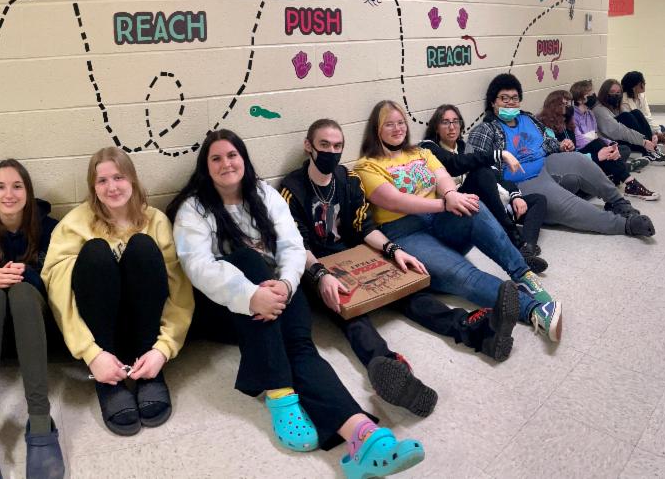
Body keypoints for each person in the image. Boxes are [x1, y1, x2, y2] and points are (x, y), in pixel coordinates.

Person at [168, 129, 425, 477]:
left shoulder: (263, 194)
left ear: (243, 159)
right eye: (216, 158)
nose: (226, 163)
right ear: (205, 166)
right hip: (225, 308)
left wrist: (287, 285)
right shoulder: (194, 208)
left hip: (278, 294)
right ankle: (279, 393)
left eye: (232, 155)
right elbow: (198, 268)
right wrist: (250, 296)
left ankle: (364, 438)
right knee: (247, 260)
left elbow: (292, 245)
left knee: (300, 347)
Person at [278, 121, 519, 418]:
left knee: (408, 290)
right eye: (324, 145)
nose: (331, 151)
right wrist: (321, 276)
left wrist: (394, 251)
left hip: (356, 254)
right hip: (316, 264)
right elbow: (295, 244)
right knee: (353, 315)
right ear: (309, 146)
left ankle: (479, 332)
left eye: (337, 146)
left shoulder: (348, 179)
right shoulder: (292, 188)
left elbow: (364, 227)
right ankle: (390, 368)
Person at [357, 100, 564, 341]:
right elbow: (396, 201)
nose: (398, 128)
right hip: (406, 232)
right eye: (389, 124)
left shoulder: (420, 152)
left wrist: (451, 194)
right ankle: (534, 311)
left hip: (438, 221)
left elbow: (442, 176)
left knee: (472, 205)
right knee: (464, 274)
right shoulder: (366, 166)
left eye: (401, 122)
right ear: (376, 129)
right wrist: (444, 204)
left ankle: (523, 275)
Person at [42, 147, 194, 438]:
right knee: (95, 252)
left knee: (143, 247)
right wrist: (92, 354)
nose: (112, 187)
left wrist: (162, 349)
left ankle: (148, 370)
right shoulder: (74, 224)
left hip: (146, 333)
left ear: (132, 179)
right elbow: (59, 294)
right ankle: (108, 380)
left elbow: (179, 291)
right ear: (93, 187)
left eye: (119, 177)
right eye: (102, 180)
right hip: (100, 336)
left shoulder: (155, 221)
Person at [0, 159, 64, 479]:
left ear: (28, 191)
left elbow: (58, 281)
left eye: (17, 186)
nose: (9, 194)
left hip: (33, 317)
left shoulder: (49, 228)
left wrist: (24, 275)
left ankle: (41, 421)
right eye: (0, 187)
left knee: (20, 292)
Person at [466, 73, 654, 238]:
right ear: (493, 102)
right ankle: (623, 225)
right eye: (504, 98)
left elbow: (547, 141)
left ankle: (618, 202)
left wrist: (560, 145)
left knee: (578, 160)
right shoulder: (485, 130)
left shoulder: (527, 118)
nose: (510, 103)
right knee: (569, 204)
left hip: (546, 163)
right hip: (521, 179)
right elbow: (478, 170)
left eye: (514, 98)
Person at [420, 104, 549, 272]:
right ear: (436, 127)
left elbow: (495, 175)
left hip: (489, 200)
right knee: (481, 172)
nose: (452, 127)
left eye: (455, 121)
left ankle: (527, 248)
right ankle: (516, 240)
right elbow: (455, 164)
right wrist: (499, 154)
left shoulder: (465, 147)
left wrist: (515, 195)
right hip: (455, 205)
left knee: (538, 200)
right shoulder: (428, 147)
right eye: (445, 122)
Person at [560, 82, 658, 201]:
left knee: (622, 149)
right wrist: (604, 147)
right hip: (583, 152)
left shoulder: (590, 114)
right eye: (590, 94)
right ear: (580, 99)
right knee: (599, 145)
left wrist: (611, 144)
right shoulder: (573, 115)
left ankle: (613, 172)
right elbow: (580, 142)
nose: (594, 96)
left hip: (596, 148)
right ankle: (630, 182)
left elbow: (596, 135)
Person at [595, 76, 665, 165]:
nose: (616, 95)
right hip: (612, 141)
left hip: (626, 137)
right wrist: (643, 141)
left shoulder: (615, 106)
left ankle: (652, 146)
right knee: (626, 116)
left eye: (618, 92)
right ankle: (647, 150)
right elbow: (618, 130)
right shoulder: (599, 110)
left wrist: (653, 134)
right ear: (604, 93)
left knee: (636, 112)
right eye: (612, 92)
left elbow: (638, 119)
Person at [620, 71, 665, 153]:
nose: (644, 83)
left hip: (645, 127)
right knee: (637, 113)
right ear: (635, 85)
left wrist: (657, 132)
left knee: (661, 127)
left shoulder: (641, 96)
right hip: (635, 132)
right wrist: (653, 134)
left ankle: (658, 140)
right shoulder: (624, 99)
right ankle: (656, 144)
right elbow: (632, 124)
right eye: (643, 81)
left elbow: (648, 117)